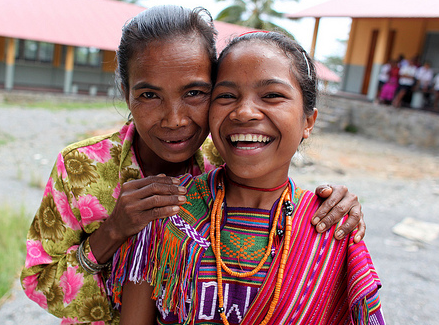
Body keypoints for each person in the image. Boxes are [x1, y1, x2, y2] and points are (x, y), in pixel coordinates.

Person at [20, 6, 366, 324]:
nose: (174, 120)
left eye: (194, 93)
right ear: (127, 94)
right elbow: (40, 285)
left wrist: (337, 205)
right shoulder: (82, 169)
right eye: (149, 95)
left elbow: (279, 198)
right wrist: (114, 231)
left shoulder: (228, 155)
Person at [115, 31, 383, 325]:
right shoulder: (165, 213)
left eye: (272, 96)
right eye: (227, 96)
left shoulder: (332, 229)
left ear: (308, 121)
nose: (244, 112)